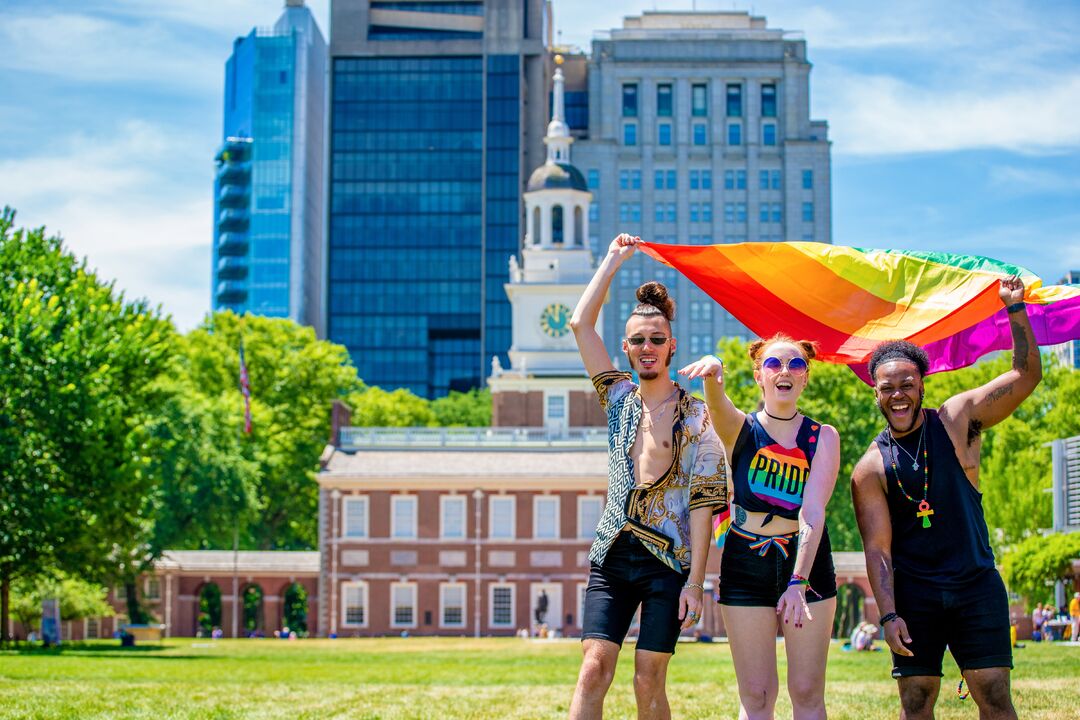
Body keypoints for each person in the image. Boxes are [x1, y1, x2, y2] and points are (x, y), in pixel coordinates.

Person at [851, 276, 1041, 720]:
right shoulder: (870, 468)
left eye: (907, 384)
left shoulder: (958, 421)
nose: (898, 394)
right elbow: (877, 551)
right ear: (875, 392)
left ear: (923, 384)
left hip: (976, 584)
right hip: (915, 594)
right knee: (915, 701)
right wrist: (889, 615)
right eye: (887, 387)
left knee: (994, 694)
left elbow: (1026, 375)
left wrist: (1015, 309)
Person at [568, 234, 729, 720]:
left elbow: (704, 504)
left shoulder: (698, 416)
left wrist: (695, 583)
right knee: (594, 668)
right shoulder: (617, 398)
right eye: (637, 340)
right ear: (627, 347)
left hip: (668, 562)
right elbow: (579, 323)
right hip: (611, 554)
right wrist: (613, 261)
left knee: (647, 677)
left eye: (657, 339)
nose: (647, 347)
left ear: (671, 346)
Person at [681, 335, 840, 720]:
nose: (784, 371)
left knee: (806, 691)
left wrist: (798, 580)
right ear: (759, 376)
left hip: (806, 564)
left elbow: (813, 511)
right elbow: (718, 405)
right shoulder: (741, 429)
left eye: (796, 365)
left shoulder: (823, 437)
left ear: (805, 379)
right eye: (773, 364)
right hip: (744, 561)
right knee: (756, 694)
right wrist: (713, 371)